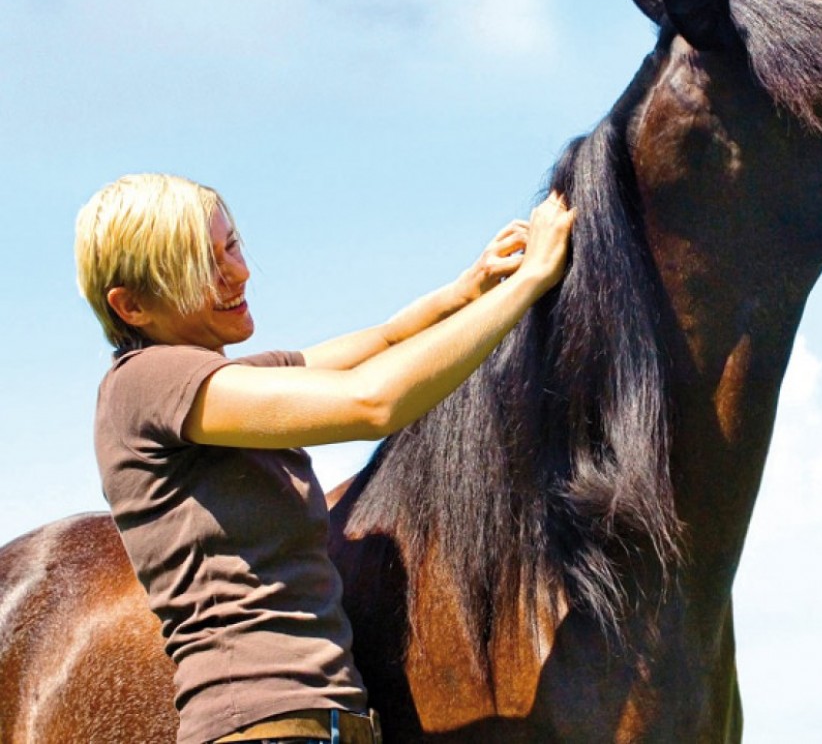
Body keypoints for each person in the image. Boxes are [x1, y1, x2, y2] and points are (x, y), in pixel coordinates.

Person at [74, 173, 574, 744]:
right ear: (131, 305)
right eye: (199, 267)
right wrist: (529, 284)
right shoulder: (145, 382)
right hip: (262, 729)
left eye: (230, 246)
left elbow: (385, 340)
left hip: (329, 726)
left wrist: (470, 288)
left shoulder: (222, 379)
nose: (237, 273)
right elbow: (372, 401)